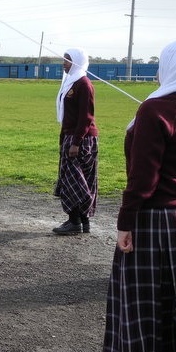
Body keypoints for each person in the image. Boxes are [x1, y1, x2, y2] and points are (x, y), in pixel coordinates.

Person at [85, 39, 176, 352]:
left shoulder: (154, 110)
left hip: (153, 224)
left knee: (138, 312)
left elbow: (144, 178)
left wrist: (125, 223)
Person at [52, 47, 98, 235]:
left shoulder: (83, 84)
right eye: (64, 59)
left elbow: (86, 117)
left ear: (77, 62)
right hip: (71, 136)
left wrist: (76, 142)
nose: (64, 63)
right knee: (79, 180)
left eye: (68, 60)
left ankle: (74, 222)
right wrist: (64, 138)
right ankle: (83, 222)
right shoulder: (70, 83)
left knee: (75, 180)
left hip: (82, 138)